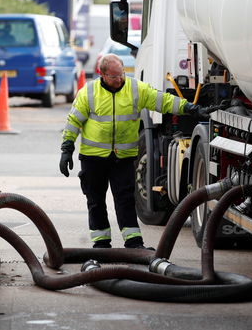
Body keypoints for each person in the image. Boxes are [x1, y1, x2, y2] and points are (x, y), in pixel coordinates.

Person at [59, 54, 210, 249]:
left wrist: (190, 108)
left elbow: (162, 100)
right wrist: (66, 149)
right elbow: (73, 122)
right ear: (102, 74)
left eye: (121, 74)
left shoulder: (135, 89)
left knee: (125, 200)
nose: (119, 79)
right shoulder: (88, 92)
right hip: (93, 158)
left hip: (122, 158)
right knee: (95, 200)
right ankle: (101, 243)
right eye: (114, 76)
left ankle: (133, 242)